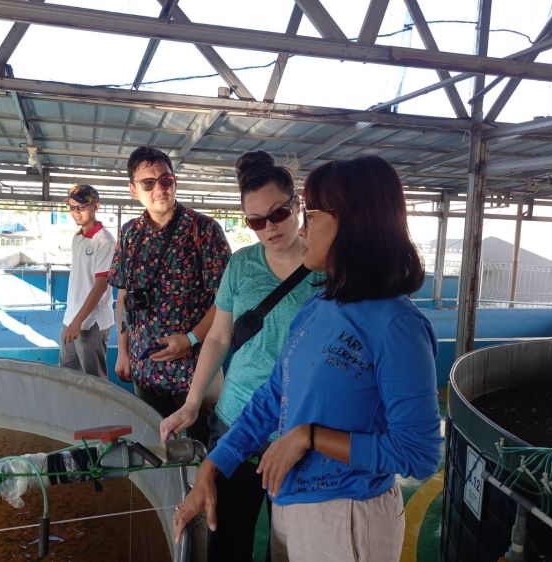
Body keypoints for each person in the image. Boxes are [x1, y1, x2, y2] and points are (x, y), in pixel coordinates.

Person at [173, 155, 443, 562]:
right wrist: (214, 464)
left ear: (353, 224)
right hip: (291, 503)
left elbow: (419, 454)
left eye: (311, 215)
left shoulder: (396, 325)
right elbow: (272, 395)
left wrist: (308, 436)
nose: (302, 227)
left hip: (348, 517)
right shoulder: (319, 305)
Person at [160, 150, 320, 562]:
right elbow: (217, 337)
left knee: (291, 549)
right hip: (237, 423)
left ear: (297, 204)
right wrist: (193, 404)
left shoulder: (329, 269)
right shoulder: (241, 265)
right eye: (255, 221)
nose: (268, 228)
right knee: (226, 540)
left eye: (278, 213)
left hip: (300, 432)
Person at [108, 146, 231, 443]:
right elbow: (124, 295)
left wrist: (191, 339)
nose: (159, 189)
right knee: (155, 447)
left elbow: (227, 299)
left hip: (197, 371)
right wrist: (123, 351)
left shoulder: (204, 231)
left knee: (206, 446)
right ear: (134, 190)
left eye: (166, 180)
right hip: (145, 368)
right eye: (148, 183)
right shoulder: (128, 234)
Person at [59, 184, 115, 378]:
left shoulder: (105, 241)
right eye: (72, 207)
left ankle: (100, 410)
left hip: (92, 323)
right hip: (72, 318)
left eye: (81, 207)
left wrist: (78, 322)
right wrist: (72, 322)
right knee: (65, 374)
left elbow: (100, 287)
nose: (75, 212)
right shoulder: (77, 238)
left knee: (95, 380)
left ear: (95, 207)